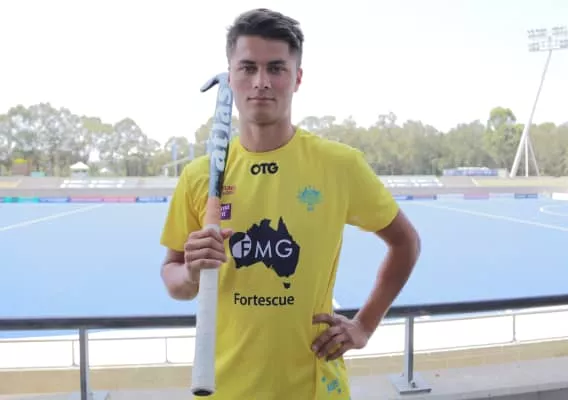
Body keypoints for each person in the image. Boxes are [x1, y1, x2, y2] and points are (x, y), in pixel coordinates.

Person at [159, 8, 421, 399]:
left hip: (314, 387)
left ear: (297, 78)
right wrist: (192, 273)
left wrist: (364, 325)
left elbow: (405, 242)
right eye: (248, 68)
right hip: (221, 388)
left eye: (276, 68)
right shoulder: (199, 176)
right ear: (230, 76)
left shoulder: (339, 165)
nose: (261, 82)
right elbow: (174, 278)